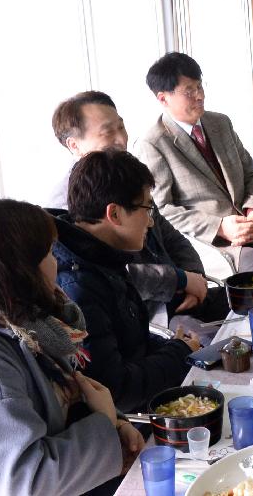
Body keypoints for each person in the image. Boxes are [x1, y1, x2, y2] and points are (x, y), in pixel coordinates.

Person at [0, 199, 145, 494]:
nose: (56, 262)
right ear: (17, 269)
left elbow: (54, 405)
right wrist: (103, 423)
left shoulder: (14, 322)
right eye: (48, 253)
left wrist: (116, 425)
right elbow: (20, 483)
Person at [48, 91, 229, 328]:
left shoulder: (127, 175)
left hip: (180, 296)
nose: (121, 140)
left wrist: (194, 279)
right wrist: (181, 280)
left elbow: (171, 237)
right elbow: (112, 275)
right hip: (149, 316)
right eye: (107, 132)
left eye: (121, 127)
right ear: (74, 145)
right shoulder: (70, 203)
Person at [54, 149, 202, 412]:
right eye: (147, 208)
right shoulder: (79, 285)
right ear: (114, 214)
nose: (150, 221)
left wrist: (176, 346)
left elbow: (130, 344)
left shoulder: (103, 256)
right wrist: (179, 353)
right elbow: (117, 389)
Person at [136, 52, 253, 274]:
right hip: (215, 245)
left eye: (199, 86)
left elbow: (252, 174)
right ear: (163, 98)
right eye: (189, 91)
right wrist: (219, 227)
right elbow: (160, 211)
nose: (199, 96)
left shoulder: (220, 123)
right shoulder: (154, 144)